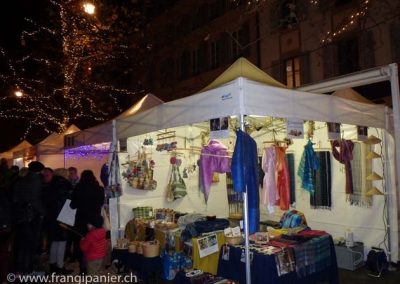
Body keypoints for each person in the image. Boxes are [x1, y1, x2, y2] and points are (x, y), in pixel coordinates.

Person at [13, 161, 45, 275]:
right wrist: (42, 212)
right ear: (39, 170)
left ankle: (20, 270)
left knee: (21, 245)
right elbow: (35, 199)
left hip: (20, 216)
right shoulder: (35, 180)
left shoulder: (21, 179)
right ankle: (29, 270)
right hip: (30, 217)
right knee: (30, 244)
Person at [70, 170, 104, 274]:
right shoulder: (99, 189)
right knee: (94, 242)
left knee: (83, 242)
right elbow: (101, 202)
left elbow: (72, 206)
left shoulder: (78, 188)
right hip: (94, 220)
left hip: (81, 220)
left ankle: (83, 267)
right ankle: (94, 265)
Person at [42, 168, 73, 274]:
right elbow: (67, 203)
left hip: (51, 217)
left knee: (54, 242)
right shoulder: (63, 185)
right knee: (62, 242)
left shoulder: (50, 185)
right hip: (61, 216)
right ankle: (59, 266)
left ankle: (52, 265)